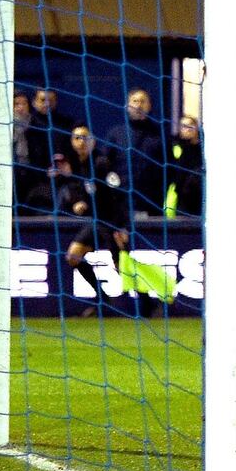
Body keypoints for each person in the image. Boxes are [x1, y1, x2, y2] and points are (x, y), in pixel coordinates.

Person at [55, 126, 129, 318]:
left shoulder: (101, 162)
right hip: (97, 220)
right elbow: (85, 191)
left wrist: (121, 226)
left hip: (111, 221)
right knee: (73, 256)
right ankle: (103, 300)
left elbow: (118, 195)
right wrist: (80, 202)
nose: (81, 142)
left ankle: (146, 305)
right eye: (77, 138)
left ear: (93, 141)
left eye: (85, 138)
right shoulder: (78, 164)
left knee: (122, 266)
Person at [104, 88, 166, 217]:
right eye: (135, 101)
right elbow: (104, 165)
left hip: (152, 204)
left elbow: (169, 168)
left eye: (143, 101)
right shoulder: (115, 134)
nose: (138, 105)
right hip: (120, 204)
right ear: (127, 106)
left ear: (149, 106)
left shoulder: (160, 135)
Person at [165, 115, 203, 217]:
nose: (188, 129)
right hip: (180, 197)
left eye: (191, 126)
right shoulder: (173, 148)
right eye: (184, 126)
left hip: (200, 197)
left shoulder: (203, 150)